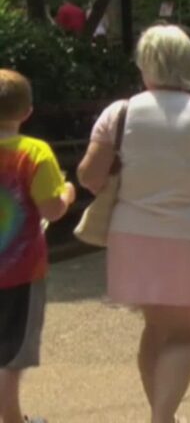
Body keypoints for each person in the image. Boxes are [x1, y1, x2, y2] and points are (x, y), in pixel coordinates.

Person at [78, 25, 190, 423]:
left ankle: (162, 416)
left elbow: (89, 176)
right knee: (184, 335)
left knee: (155, 329)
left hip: (133, 236)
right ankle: (162, 417)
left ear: (145, 63)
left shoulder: (119, 113)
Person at [0, 69, 77, 423]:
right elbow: (52, 210)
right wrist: (67, 193)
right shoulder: (34, 153)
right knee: (12, 352)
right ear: (27, 111)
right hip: (21, 271)